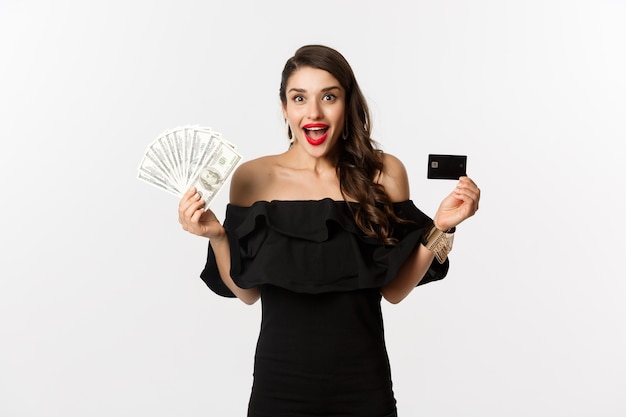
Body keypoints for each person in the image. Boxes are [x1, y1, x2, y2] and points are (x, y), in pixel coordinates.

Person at [178, 44, 480, 417]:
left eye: (329, 97)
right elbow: (247, 293)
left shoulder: (385, 174)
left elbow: (395, 289)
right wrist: (218, 236)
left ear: (347, 103)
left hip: (363, 388)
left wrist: (442, 229)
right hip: (279, 388)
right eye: (299, 98)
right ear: (285, 108)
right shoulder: (252, 178)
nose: (314, 112)